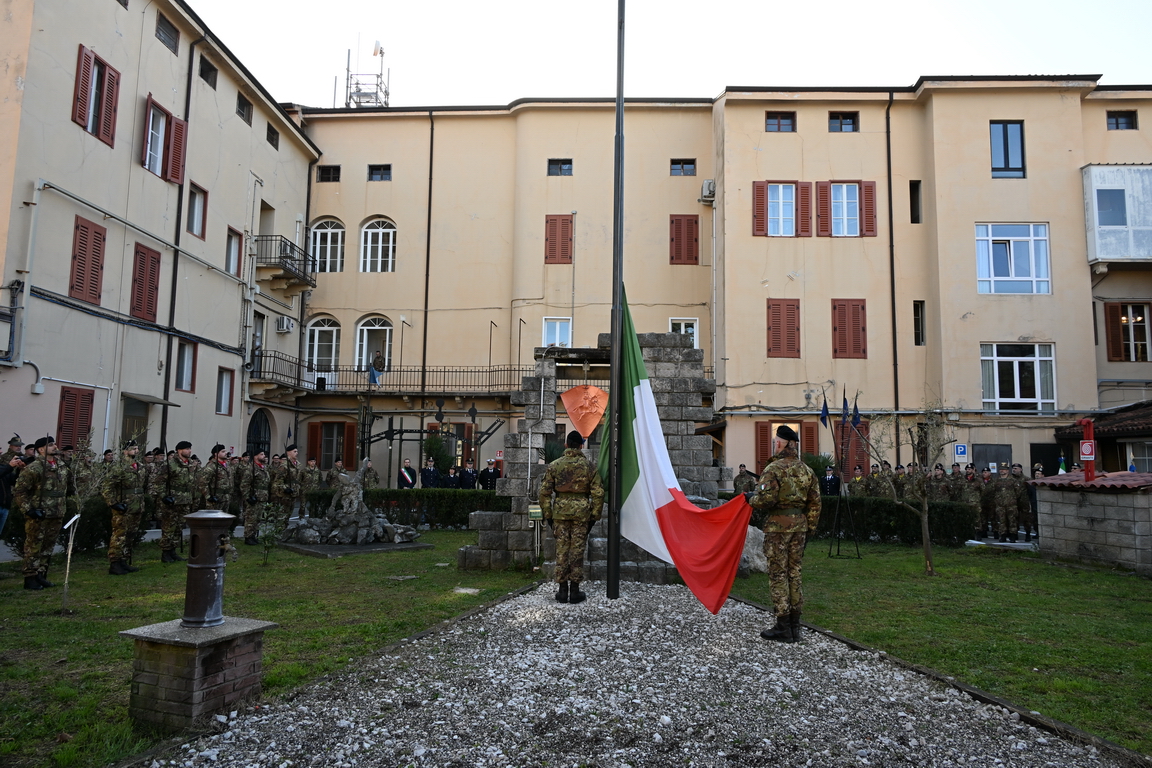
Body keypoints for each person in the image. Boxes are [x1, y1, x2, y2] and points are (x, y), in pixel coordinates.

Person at [749, 425, 821, 644]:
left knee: (778, 573)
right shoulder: (807, 471)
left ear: (781, 443)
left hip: (778, 528)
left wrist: (750, 499)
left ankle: (783, 626)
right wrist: (809, 528)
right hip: (799, 527)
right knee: (794, 573)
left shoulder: (773, 469)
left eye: (776, 441)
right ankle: (795, 626)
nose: (775, 444)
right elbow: (815, 503)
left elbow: (765, 500)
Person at [539, 431, 604, 604]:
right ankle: (574, 590)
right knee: (577, 550)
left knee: (561, 550)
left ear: (566, 445)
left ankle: (562, 591)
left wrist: (548, 515)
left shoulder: (554, 465)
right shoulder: (589, 467)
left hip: (560, 513)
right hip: (582, 515)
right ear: (581, 445)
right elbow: (598, 493)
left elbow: (544, 493)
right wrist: (594, 516)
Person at [13, 436, 73, 590]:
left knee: (48, 546)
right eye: (51, 445)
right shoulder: (34, 468)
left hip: (56, 512)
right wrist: (29, 510)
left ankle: (41, 574)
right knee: (34, 546)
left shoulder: (61, 466)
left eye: (54, 444)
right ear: (41, 449)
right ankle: (30, 577)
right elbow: (20, 491)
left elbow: (68, 487)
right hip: (39, 513)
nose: (55, 447)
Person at [101, 440, 147, 575]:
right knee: (119, 535)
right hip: (123, 506)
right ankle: (115, 562)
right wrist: (113, 503)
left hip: (137, 505)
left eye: (137, 448)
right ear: (125, 451)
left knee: (130, 535)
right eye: (133, 448)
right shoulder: (119, 467)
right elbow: (106, 486)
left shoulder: (140, 466)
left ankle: (124, 561)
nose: (136, 451)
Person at [154, 441, 196, 562]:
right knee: (169, 527)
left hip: (185, 499)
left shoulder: (190, 464)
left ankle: (173, 550)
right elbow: (159, 482)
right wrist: (163, 496)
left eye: (190, 448)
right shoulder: (170, 464)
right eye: (187, 449)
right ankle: (165, 552)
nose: (189, 451)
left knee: (179, 527)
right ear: (179, 450)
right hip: (172, 499)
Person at [239, 449, 272, 545]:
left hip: (262, 497)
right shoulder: (251, 468)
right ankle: (248, 536)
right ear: (255, 457)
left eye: (264, 454)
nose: (264, 456)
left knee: (257, 519)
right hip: (254, 497)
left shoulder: (264, 468)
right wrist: (247, 497)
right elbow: (244, 484)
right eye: (261, 454)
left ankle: (254, 535)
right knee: (251, 518)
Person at [271, 444, 304, 528]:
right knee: (283, 515)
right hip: (285, 494)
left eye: (297, 451)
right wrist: (285, 488)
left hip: (294, 493)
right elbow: (278, 481)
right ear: (288, 453)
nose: (297, 453)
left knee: (289, 514)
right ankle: (279, 531)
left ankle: (284, 530)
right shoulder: (284, 466)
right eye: (294, 451)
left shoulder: (298, 465)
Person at [200, 444, 233, 514]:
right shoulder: (212, 466)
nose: (226, 453)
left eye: (225, 451)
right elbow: (203, 482)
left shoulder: (227, 466)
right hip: (215, 498)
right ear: (216, 454)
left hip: (226, 498)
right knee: (213, 520)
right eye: (223, 451)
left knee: (224, 521)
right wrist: (208, 496)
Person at [0, 454, 25, 539]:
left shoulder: (3, 467)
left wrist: (19, 469)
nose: (1, 452)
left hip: (4, 507)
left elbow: (14, 481)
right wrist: (10, 466)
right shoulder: (4, 468)